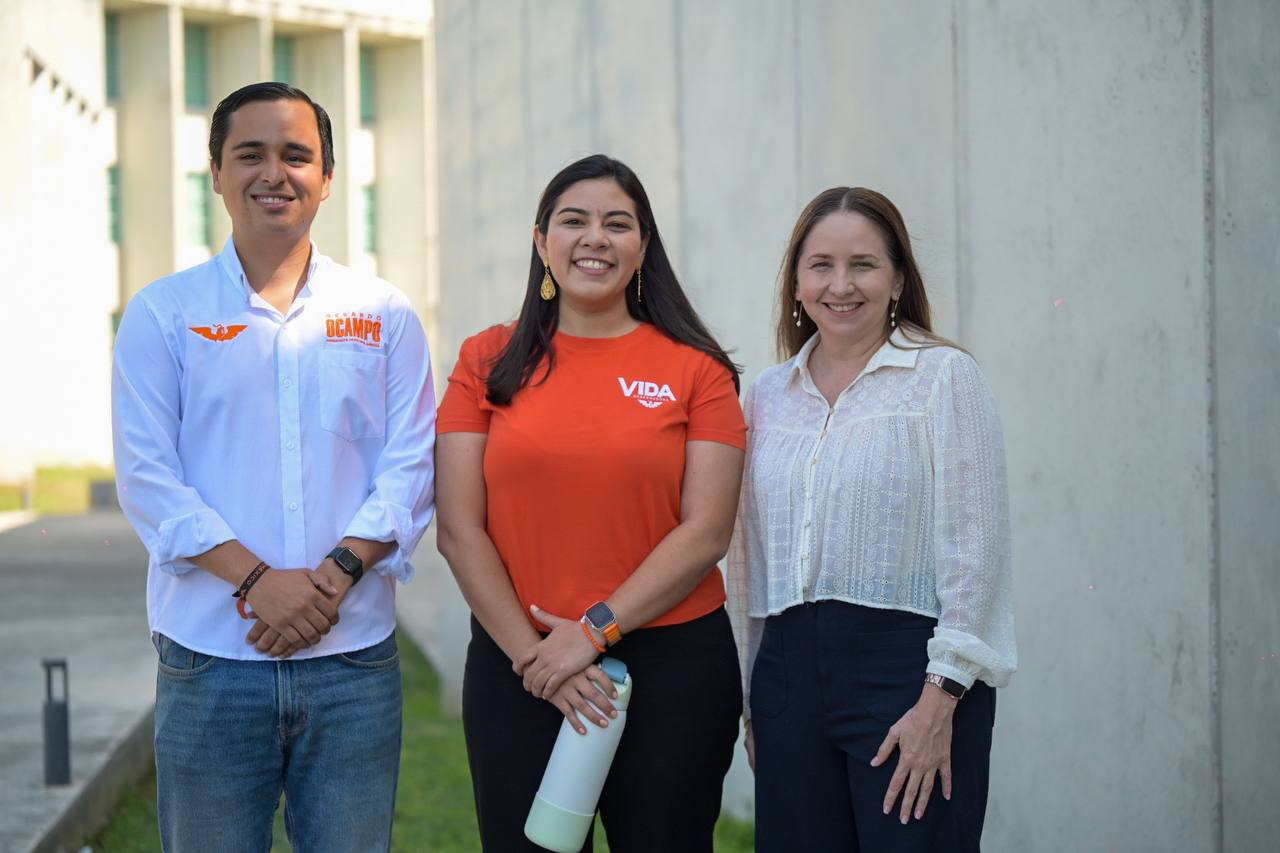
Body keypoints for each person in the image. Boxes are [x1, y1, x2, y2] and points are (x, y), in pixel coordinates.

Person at [111, 82, 436, 853]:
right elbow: (149, 479)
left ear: (326, 178)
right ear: (215, 173)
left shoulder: (383, 312)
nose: (274, 173)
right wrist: (262, 582)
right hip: (211, 660)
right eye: (249, 154)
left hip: (352, 659)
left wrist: (334, 575)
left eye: (297, 155)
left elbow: (413, 459)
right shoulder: (164, 313)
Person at [435, 154, 746, 852]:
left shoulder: (698, 370)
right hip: (521, 663)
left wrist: (592, 631)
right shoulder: (487, 359)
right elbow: (458, 529)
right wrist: (537, 656)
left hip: (673, 666)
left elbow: (706, 532)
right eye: (574, 221)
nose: (595, 238)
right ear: (542, 241)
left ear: (642, 248)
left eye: (618, 223)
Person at [727, 187, 1016, 851]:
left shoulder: (943, 378)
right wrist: (753, 698)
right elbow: (748, 557)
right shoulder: (766, 397)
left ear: (898, 279)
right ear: (796, 283)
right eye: (820, 264)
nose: (840, 284)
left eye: (863, 264)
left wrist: (940, 696)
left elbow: (979, 548)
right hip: (788, 681)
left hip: (908, 675)